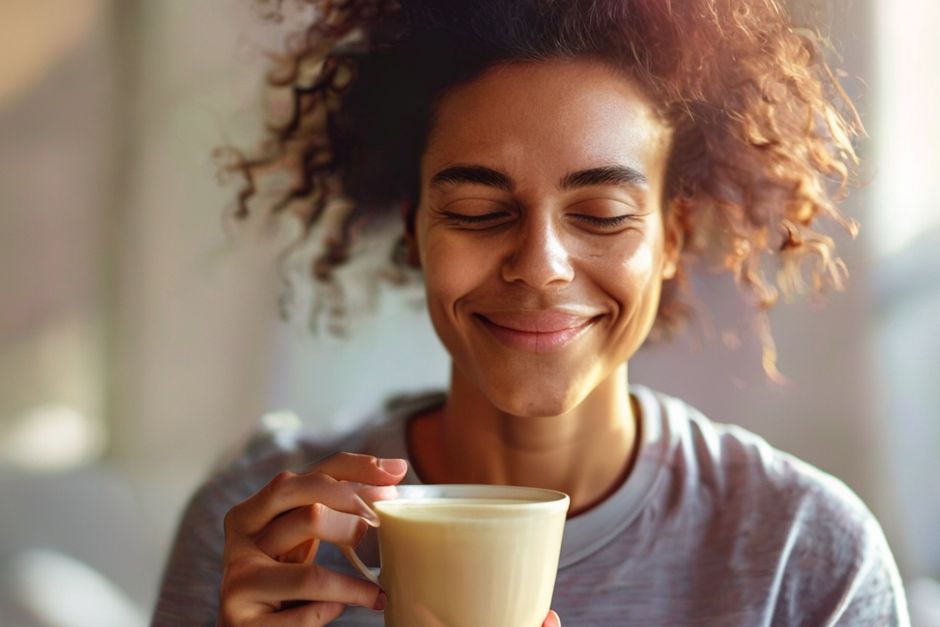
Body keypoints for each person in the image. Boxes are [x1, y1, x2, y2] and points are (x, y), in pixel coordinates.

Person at [153, 0, 910, 625]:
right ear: (417, 229)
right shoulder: (266, 538)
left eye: (603, 213)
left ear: (672, 237)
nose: (541, 264)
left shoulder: (804, 556)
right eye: (480, 210)